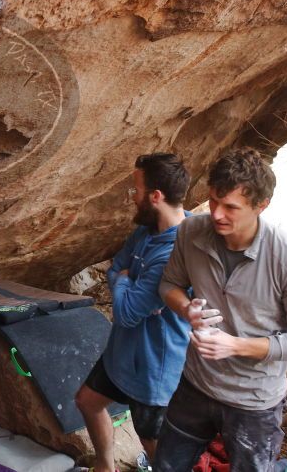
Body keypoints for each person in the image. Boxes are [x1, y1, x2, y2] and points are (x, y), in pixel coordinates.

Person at [154, 148, 287, 471]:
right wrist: (186, 309)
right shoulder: (191, 231)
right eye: (212, 201)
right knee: (167, 465)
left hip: (254, 403)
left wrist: (235, 345)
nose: (217, 214)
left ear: (261, 206)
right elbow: (169, 285)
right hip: (195, 385)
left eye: (231, 207)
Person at [75, 153, 192, 472]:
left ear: (156, 197)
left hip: (154, 367)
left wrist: (122, 281)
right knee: (87, 401)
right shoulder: (146, 228)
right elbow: (117, 265)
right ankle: (104, 465)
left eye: (136, 191)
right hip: (122, 353)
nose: (132, 197)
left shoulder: (178, 250)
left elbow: (126, 312)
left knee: (152, 441)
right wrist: (122, 279)